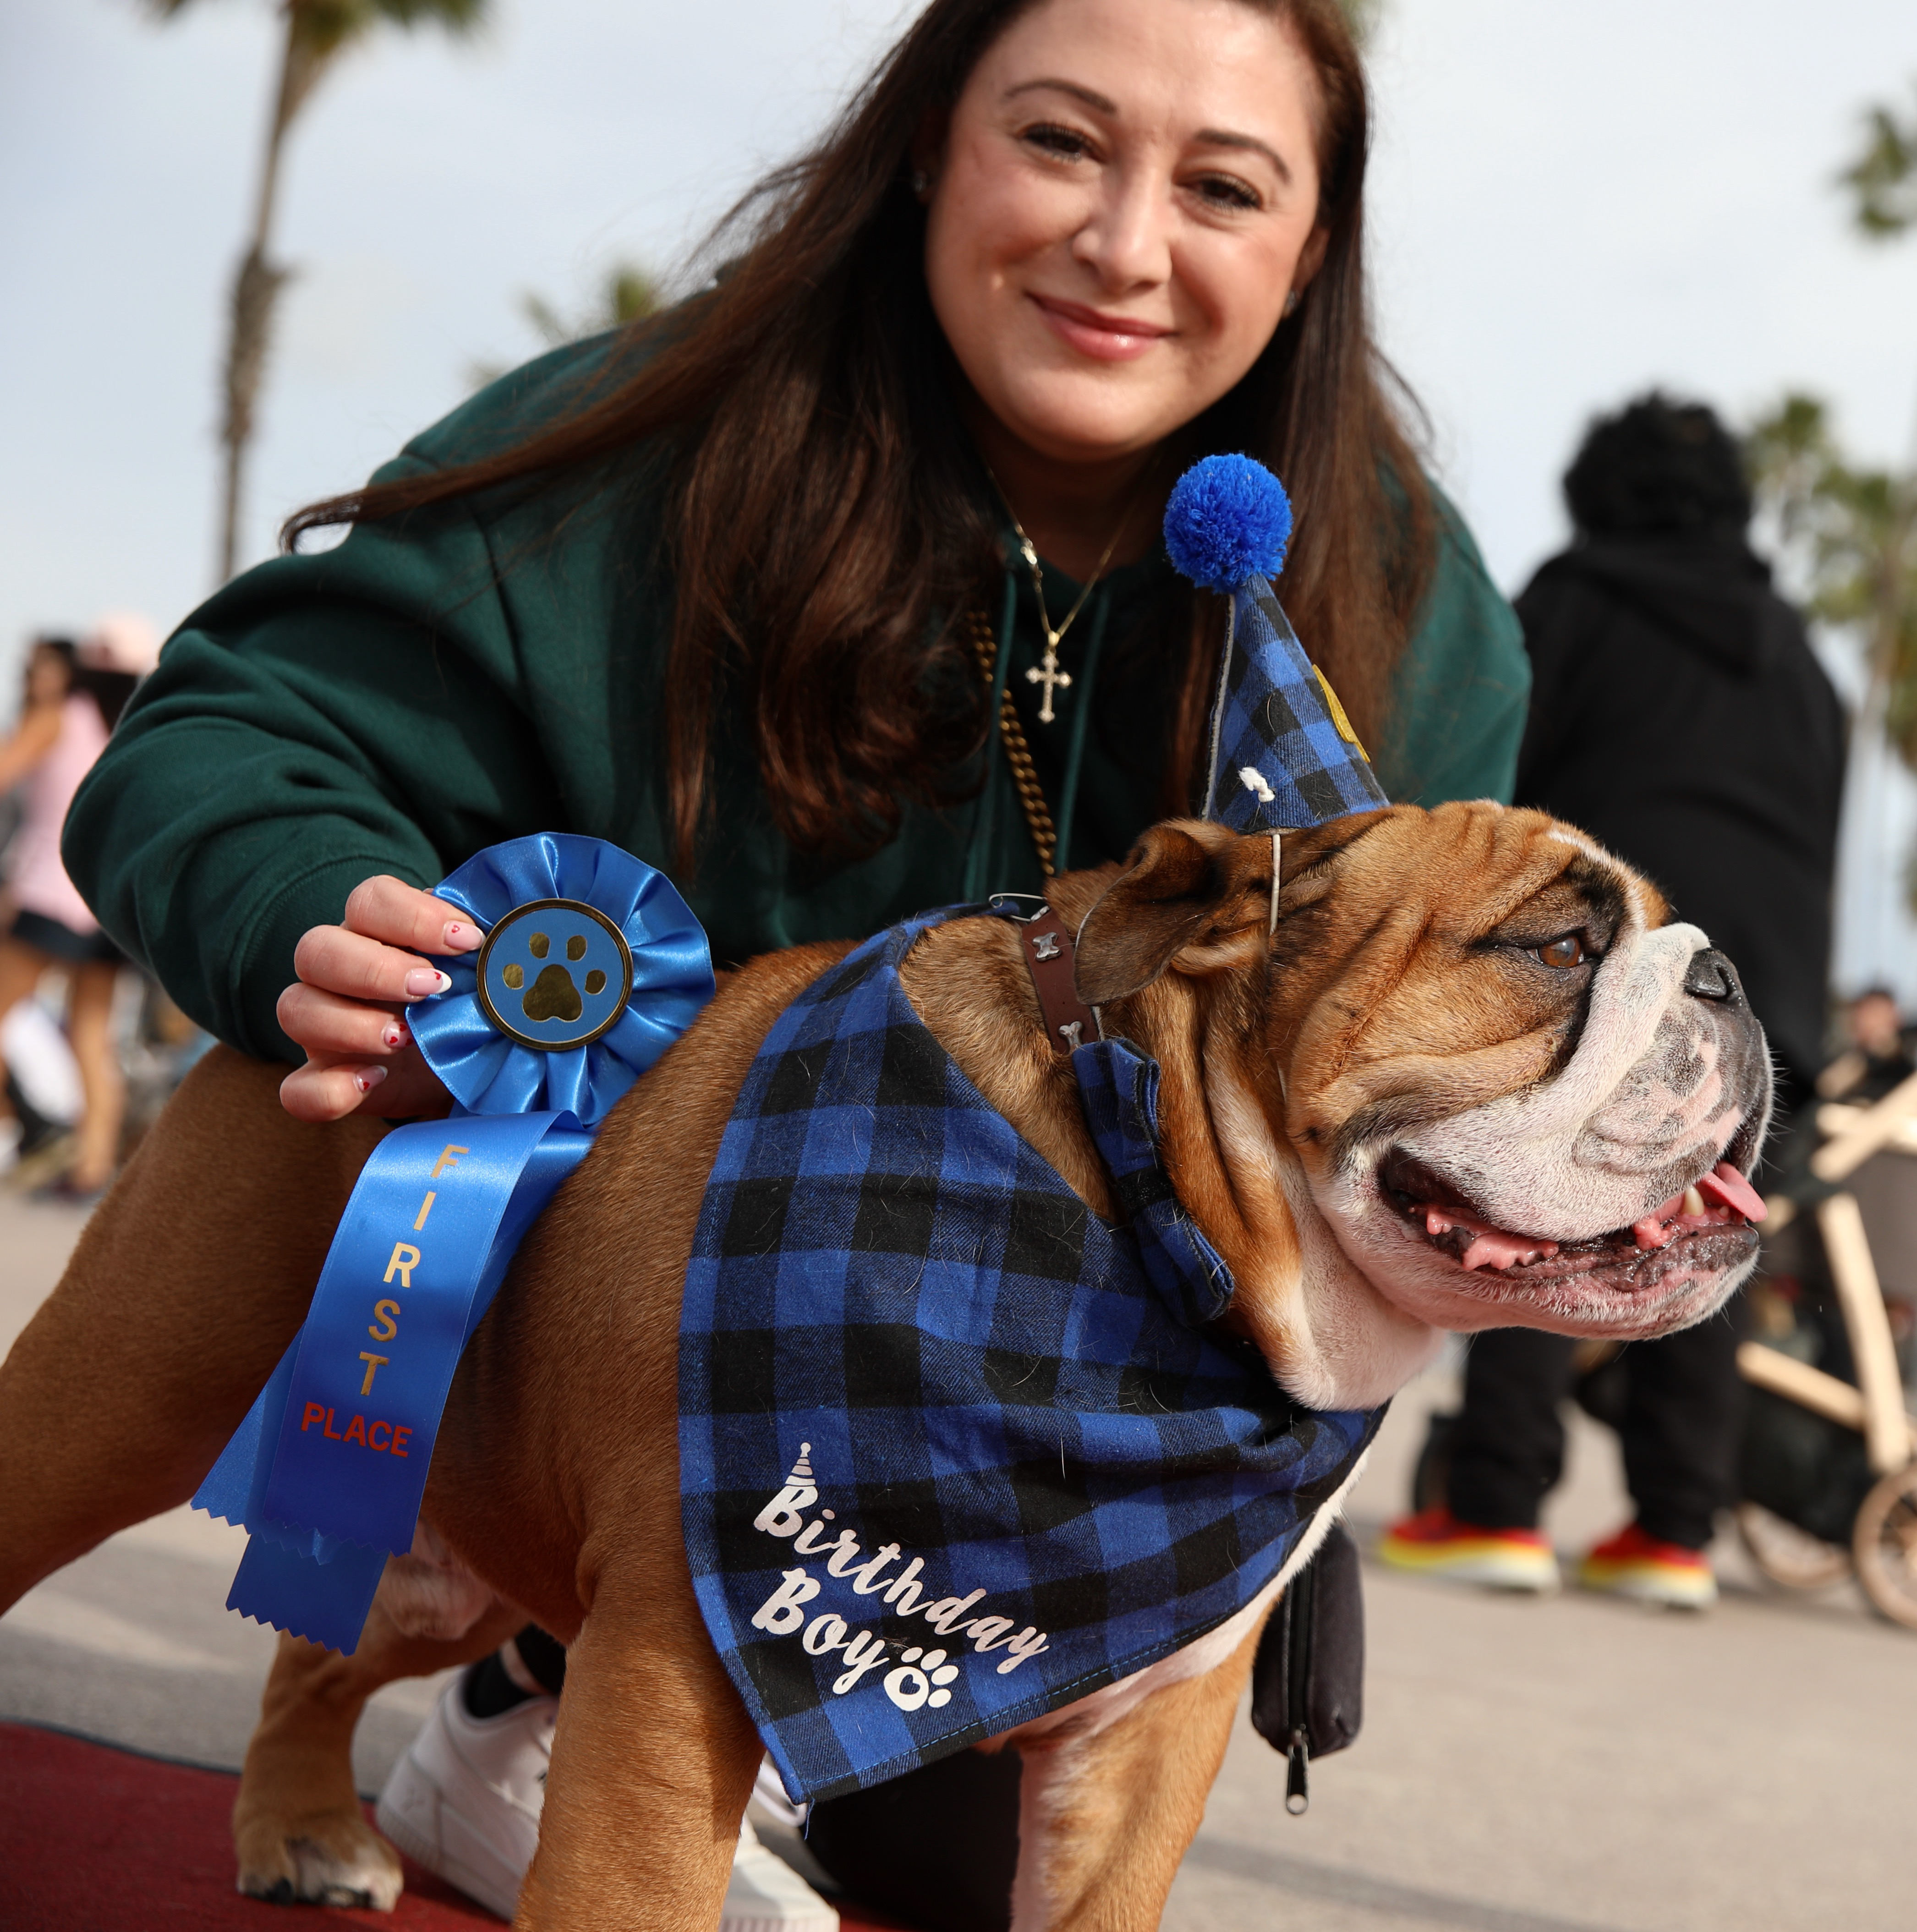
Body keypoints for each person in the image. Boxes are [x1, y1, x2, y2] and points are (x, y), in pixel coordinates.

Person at [39, 2, 1526, 1926]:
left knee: (945, 1843)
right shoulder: (659, 440)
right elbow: (232, 727)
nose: (1126, 245)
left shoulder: (1407, 597)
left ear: (1310, 245)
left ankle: (510, 1699)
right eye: (1061, 142)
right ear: (927, 144)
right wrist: (310, 904)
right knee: (259, 1350)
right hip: (590, 1288)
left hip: (1054, 1407)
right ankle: (394, 1686)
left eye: (1222, 184)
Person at [1379, 392, 1844, 1609]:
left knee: (1542, 1202)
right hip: (1769, 997)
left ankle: (1494, 1506)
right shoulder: (1801, 662)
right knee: (1704, 1226)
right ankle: (1672, 1531)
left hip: (1621, 965)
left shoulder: (1577, 602)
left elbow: (1500, 777)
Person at [0, 617, 153, 1200]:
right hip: (104, 900)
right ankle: (91, 1171)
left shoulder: (60, 715)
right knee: (90, 1037)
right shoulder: (127, 726)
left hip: (48, 892)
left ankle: (38, 1128)